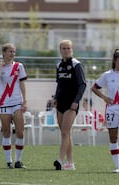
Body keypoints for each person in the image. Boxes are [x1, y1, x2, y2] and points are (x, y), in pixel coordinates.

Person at [0, 43, 28, 169]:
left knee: (20, 132)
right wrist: (1, 66)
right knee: (6, 131)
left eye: (14, 51)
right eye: (10, 51)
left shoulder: (19, 66)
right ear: (4, 53)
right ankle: (9, 162)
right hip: (4, 103)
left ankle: (18, 161)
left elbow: (22, 84)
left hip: (17, 102)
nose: (12, 54)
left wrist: (25, 101)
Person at [52, 39, 87, 170]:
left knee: (65, 132)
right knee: (65, 133)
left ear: (72, 50)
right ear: (60, 50)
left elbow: (83, 84)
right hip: (60, 102)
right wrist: (55, 97)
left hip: (71, 104)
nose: (66, 50)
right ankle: (70, 163)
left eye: (68, 48)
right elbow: (59, 84)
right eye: (63, 48)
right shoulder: (58, 65)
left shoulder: (76, 64)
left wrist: (76, 101)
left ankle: (60, 160)